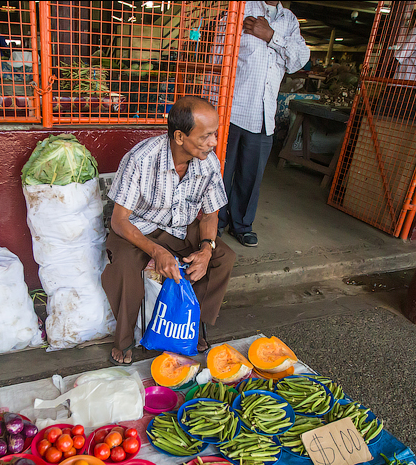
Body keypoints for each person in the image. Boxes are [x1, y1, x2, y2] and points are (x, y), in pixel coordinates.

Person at [101, 96, 236, 365]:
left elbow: (211, 213)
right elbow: (119, 221)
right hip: (137, 229)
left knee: (224, 257)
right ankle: (125, 338)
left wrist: (207, 248)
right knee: (126, 265)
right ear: (179, 136)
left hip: (181, 226)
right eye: (206, 136)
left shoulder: (208, 161)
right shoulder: (141, 159)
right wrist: (156, 251)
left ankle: (191, 323)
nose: (213, 143)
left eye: (215, 134)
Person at [219, 1, 310, 248]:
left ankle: (242, 225)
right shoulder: (240, 8)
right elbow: (217, 52)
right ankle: (214, 223)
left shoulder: (289, 20)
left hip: (264, 114)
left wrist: (271, 35)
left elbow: (299, 60)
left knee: (251, 176)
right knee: (220, 173)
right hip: (233, 109)